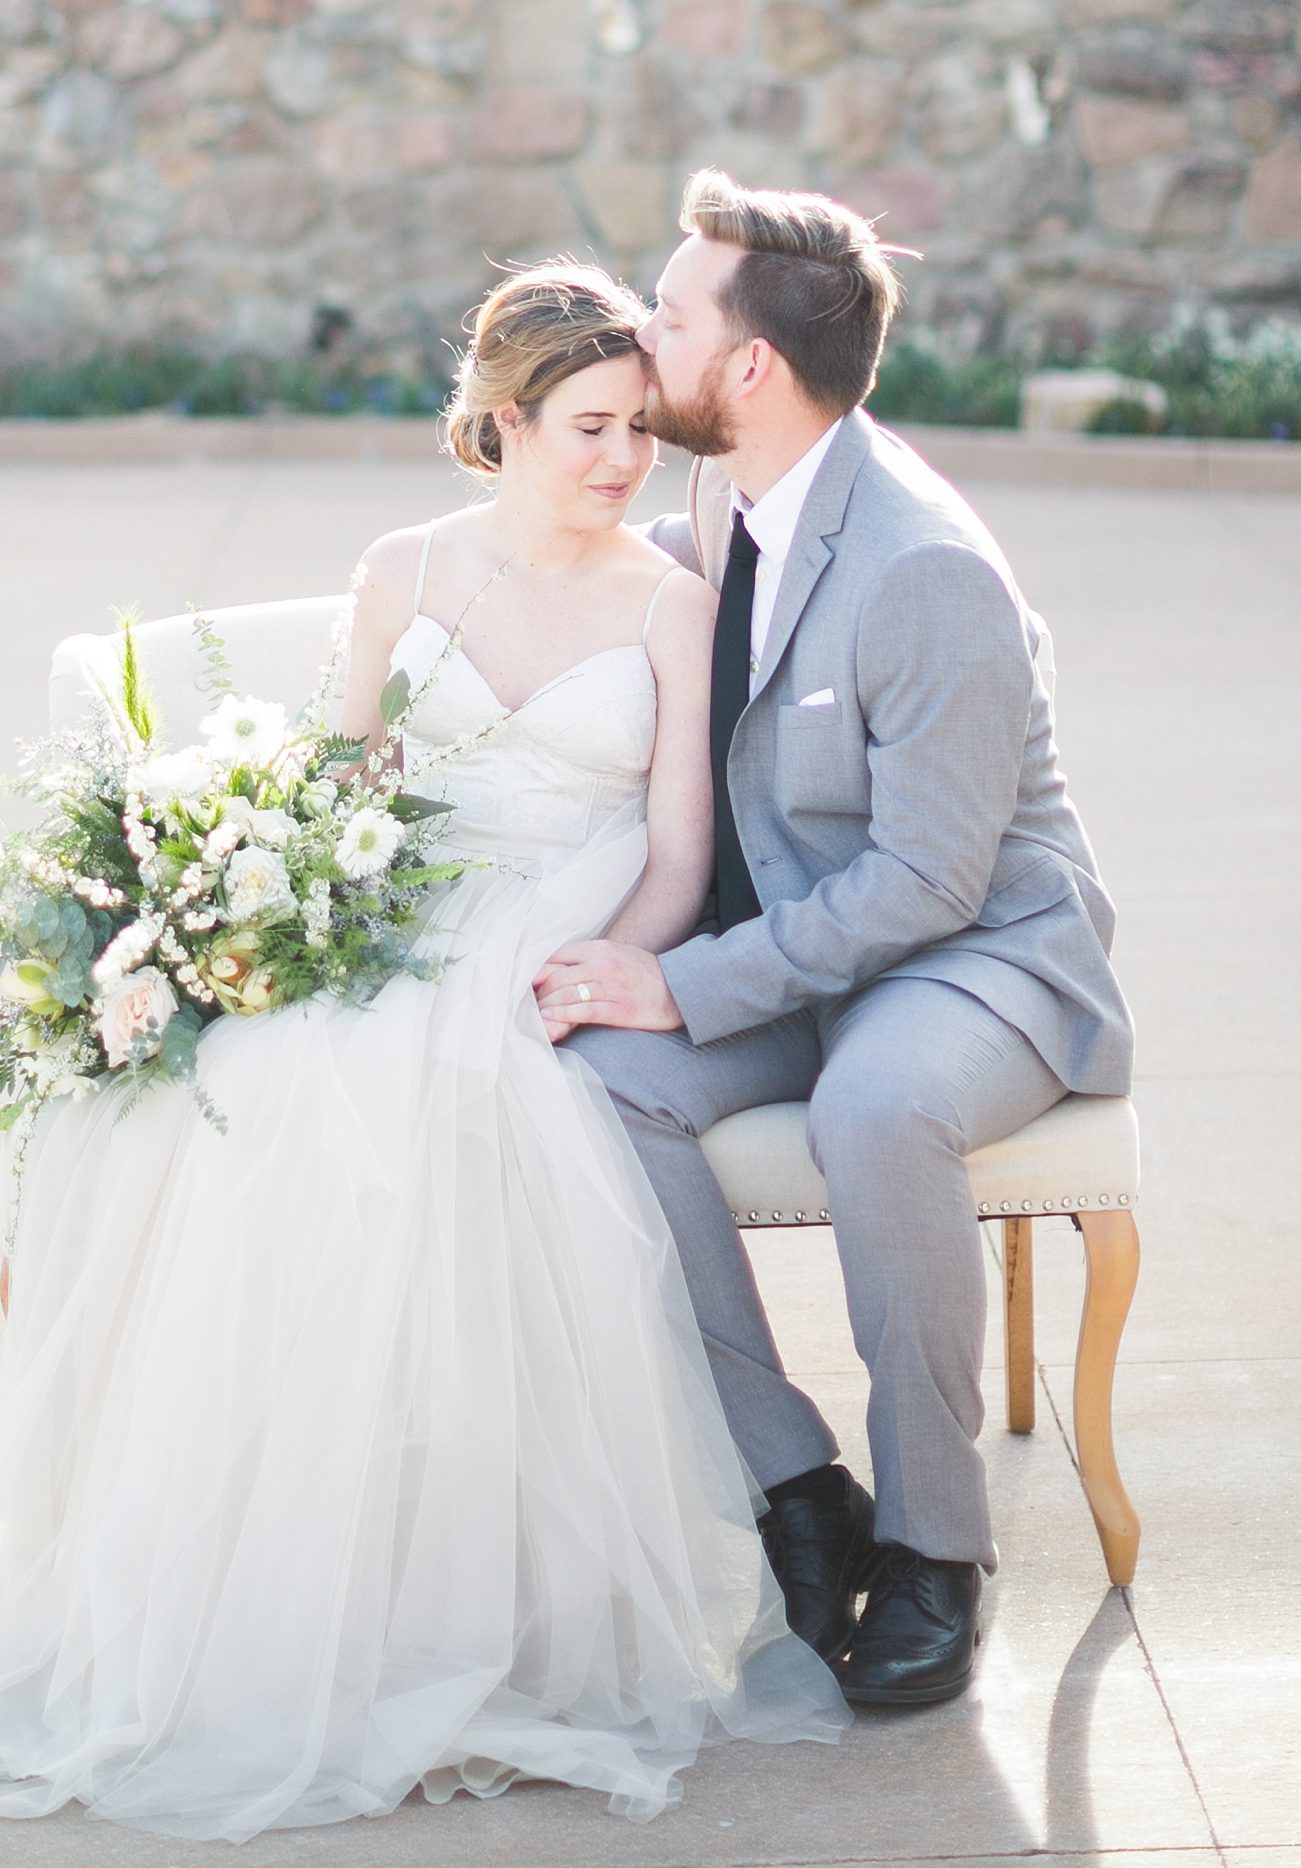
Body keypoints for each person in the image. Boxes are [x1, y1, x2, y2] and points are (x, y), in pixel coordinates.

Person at [0, 264, 848, 1837]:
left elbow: (680, 849)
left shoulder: (673, 600)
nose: (623, 462)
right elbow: (345, 796)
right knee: (239, 1101)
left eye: (638, 430)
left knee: (478, 1112)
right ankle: (252, 1596)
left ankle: (472, 1600)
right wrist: (278, 923)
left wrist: (622, 958)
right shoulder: (404, 571)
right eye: (589, 428)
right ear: (503, 421)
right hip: (404, 916)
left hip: (568, 921)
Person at [538, 172, 1133, 1710]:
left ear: (748, 366)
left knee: (879, 1105)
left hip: (977, 956)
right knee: (602, 1077)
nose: (636, 331)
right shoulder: (723, 491)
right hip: (810, 939)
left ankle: (940, 1550)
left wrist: (686, 978)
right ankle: (799, 1487)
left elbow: (930, 882)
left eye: (666, 315)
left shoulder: (923, 565)